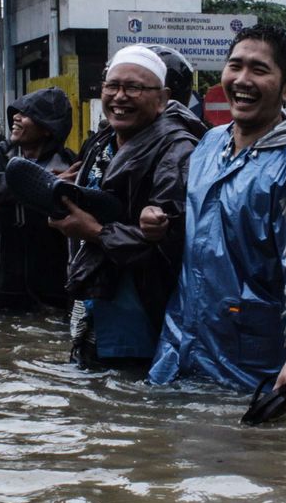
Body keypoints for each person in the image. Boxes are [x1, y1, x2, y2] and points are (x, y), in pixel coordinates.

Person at [148, 25, 286, 412]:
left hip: (256, 367)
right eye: (235, 66)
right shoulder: (209, 144)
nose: (242, 80)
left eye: (259, 70)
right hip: (180, 352)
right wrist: (161, 221)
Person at [51, 45, 205, 369]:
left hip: (142, 321)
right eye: (112, 85)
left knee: (132, 412)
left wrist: (93, 231)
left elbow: (170, 246)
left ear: (163, 99)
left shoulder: (178, 152)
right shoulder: (104, 141)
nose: (120, 96)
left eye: (133, 87)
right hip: (96, 307)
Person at [0, 87, 76, 312]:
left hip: (50, 281)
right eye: (16, 113)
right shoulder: (1, 154)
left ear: (48, 128)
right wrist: (46, 184)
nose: (16, 118)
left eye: (26, 114)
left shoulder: (69, 164)